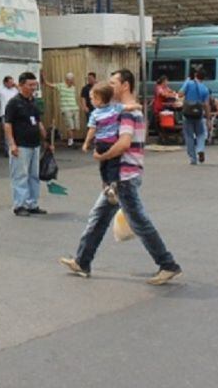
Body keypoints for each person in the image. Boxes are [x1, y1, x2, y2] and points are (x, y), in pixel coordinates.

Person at [59, 69, 182, 285]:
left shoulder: (127, 113)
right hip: (122, 175)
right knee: (98, 217)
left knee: (139, 222)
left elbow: (124, 143)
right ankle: (82, 261)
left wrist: (102, 156)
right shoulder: (127, 110)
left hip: (124, 176)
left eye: (114, 83)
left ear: (125, 85)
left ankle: (167, 264)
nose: (110, 87)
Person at [3, 72, 50, 216]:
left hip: (35, 145)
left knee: (34, 176)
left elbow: (38, 122)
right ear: (21, 85)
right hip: (21, 145)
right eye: (30, 85)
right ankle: (20, 205)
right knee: (20, 176)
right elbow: (7, 124)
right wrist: (12, 144)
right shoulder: (14, 103)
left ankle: (32, 204)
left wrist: (47, 139)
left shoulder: (33, 102)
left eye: (35, 85)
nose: (33, 88)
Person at [82, 83, 124, 205]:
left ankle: (105, 184)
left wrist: (86, 143)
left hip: (100, 144)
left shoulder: (94, 114)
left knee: (103, 165)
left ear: (99, 100)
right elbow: (128, 107)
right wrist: (136, 106)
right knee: (114, 165)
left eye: (92, 99)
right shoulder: (115, 108)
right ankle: (113, 185)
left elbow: (92, 130)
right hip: (113, 142)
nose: (91, 101)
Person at [178, 68, 210, 164]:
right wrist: (208, 119)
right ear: (204, 78)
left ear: (196, 75)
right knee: (200, 134)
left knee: (189, 136)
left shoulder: (189, 83)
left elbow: (180, 94)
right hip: (198, 114)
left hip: (187, 114)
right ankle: (200, 149)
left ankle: (193, 158)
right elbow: (206, 105)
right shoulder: (205, 89)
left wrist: (186, 82)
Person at [43, 72, 80, 147]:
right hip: (66, 109)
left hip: (75, 108)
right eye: (71, 79)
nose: (72, 81)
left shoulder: (73, 87)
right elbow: (48, 84)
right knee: (70, 126)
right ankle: (71, 142)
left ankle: (71, 140)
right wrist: (43, 77)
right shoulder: (61, 86)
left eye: (73, 79)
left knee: (76, 127)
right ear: (67, 80)